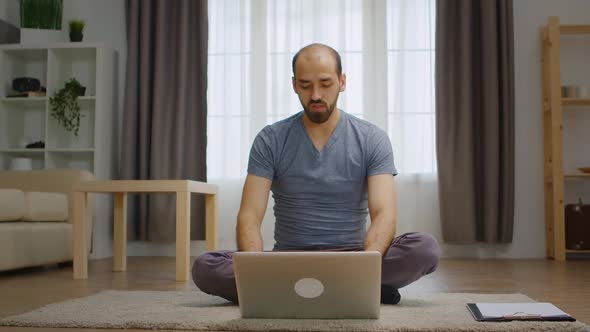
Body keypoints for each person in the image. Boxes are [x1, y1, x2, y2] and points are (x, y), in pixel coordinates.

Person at [192, 43, 441, 305]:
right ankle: (354, 292)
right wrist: (256, 270)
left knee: (424, 248)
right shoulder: (270, 139)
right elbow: (250, 217)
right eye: (305, 85)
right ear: (294, 85)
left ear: (342, 82)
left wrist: (366, 266)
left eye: (325, 83)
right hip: (288, 261)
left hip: (354, 260)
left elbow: (384, 214)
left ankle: (303, 291)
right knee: (205, 265)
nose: (315, 95)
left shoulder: (372, 139)